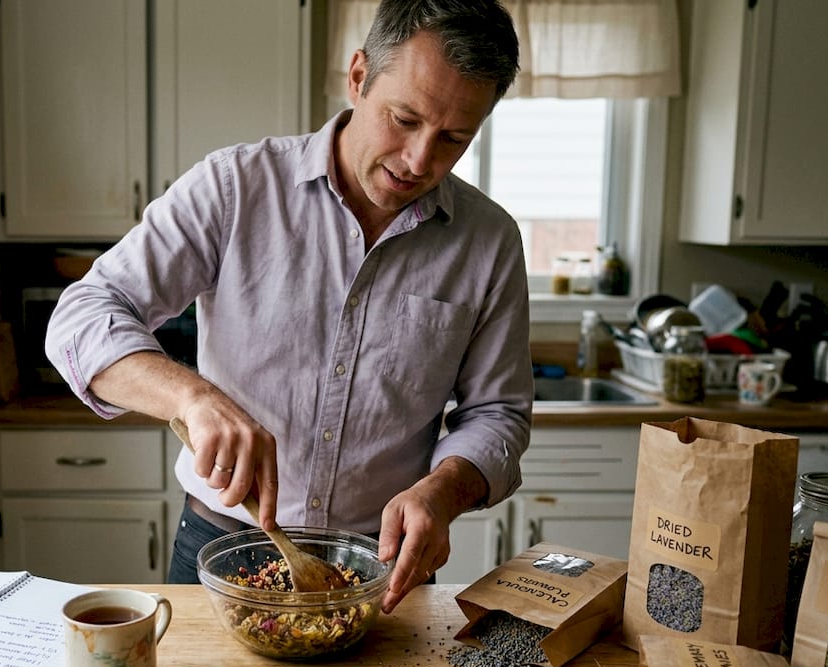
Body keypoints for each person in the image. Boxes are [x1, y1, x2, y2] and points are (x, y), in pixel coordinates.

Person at [46, 0, 531, 613]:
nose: (419, 160)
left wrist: (443, 490)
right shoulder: (234, 187)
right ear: (358, 77)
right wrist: (192, 398)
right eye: (403, 119)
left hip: (382, 570)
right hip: (222, 549)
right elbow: (84, 313)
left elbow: (498, 412)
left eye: (453, 138)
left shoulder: (489, 242)